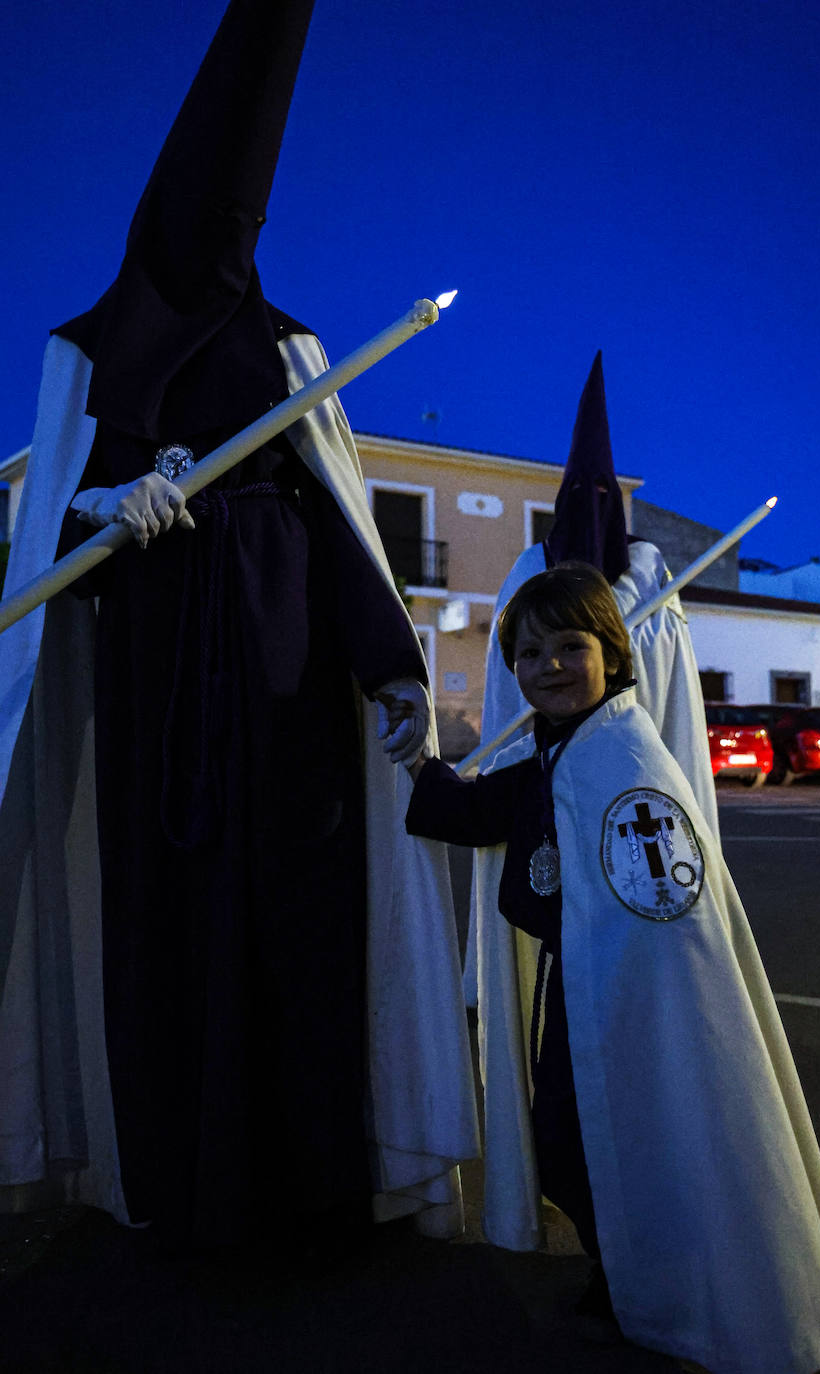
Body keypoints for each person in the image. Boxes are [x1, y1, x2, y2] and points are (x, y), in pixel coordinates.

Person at [0, 0, 478, 1251]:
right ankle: (177, 1183)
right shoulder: (85, 355)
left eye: (240, 224)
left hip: (289, 683)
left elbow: (335, 515)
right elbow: (45, 539)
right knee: (165, 924)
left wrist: (387, 666)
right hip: (155, 684)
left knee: (298, 925)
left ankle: (307, 1186)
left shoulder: (289, 349)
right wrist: (102, 504)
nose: (224, 240)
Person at [398, 562, 820, 1374]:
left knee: (642, 1136)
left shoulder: (624, 759)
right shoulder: (562, 750)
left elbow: (665, 912)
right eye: (529, 654)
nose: (549, 668)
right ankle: (631, 1270)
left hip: (631, 1002)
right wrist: (417, 762)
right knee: (572, 1145)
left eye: (569, 646)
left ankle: (656, 1288)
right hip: (582, 993)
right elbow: (481, 811)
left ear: (612, 650)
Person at [464, 349, 717, 1003]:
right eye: (580, 496)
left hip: (636, 777)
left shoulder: (654, 578)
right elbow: (505, 698)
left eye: (603, 497)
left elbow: (672, 698)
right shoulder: (529, 572)